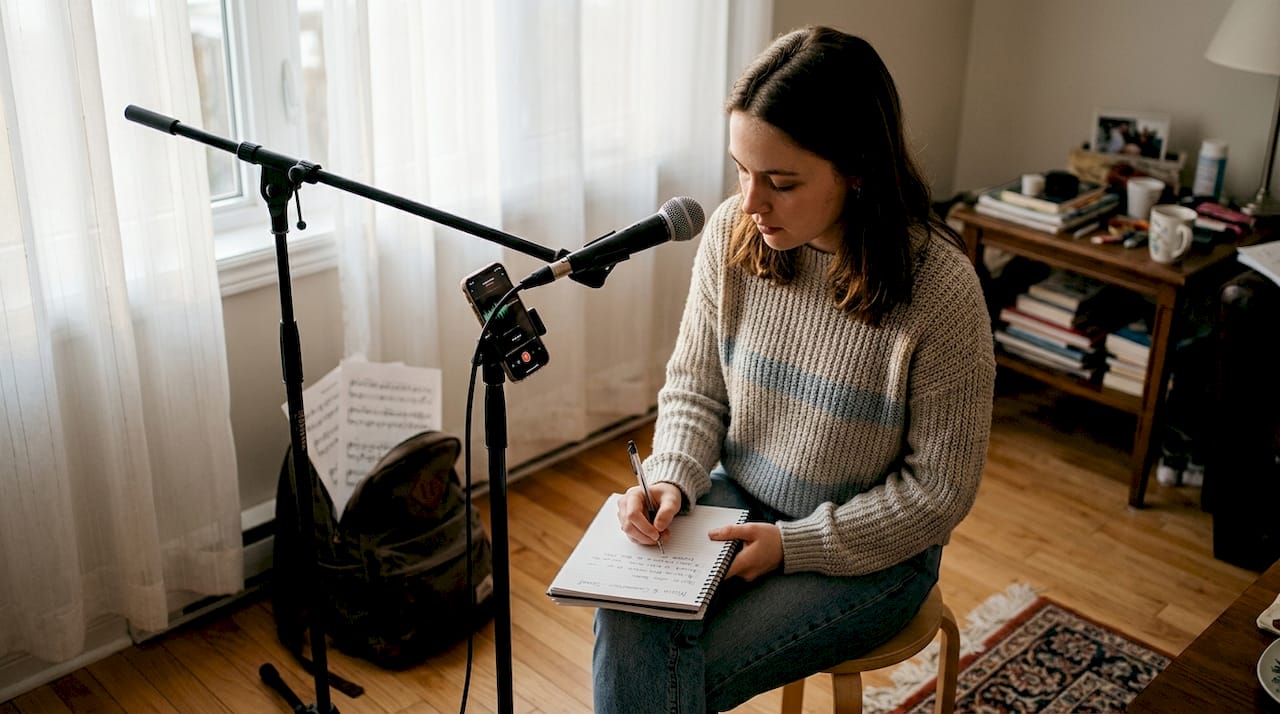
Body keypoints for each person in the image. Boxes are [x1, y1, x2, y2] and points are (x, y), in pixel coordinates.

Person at [592, 26, 996, 713]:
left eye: (780, 181)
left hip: (874, 552)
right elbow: (695, 389)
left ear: (857, 167)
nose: (750, 202)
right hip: (740, 496)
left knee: (668, 681)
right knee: (628, 612)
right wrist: (670, 481)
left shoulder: (942, 291)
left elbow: (937, 494)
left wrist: (794, 545)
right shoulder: (732, 234)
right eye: (741, 170)